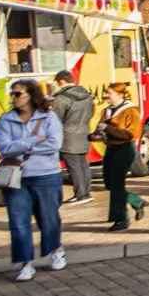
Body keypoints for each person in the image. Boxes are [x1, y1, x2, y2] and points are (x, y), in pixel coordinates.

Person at [0, 79, 68, 280]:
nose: (14, 97)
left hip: (46, 175)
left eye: (18, 93)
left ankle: (55, 250)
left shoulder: (48, 117)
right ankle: (25, 263)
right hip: (16, 177)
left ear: (32, 95)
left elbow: (54, 145)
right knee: (18, 222)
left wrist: (20, 145)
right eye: (12, 93)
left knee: (49, 219)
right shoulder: (6, 120)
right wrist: (34, 140)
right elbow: (4, 148)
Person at [97, 80, 149, 230]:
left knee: (117, 183)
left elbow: (132, 134)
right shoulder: (107, 110)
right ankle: (137, 202)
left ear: (120, 94)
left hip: (125, 148)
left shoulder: (130, 110)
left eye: (110, 93)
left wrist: (108, 129)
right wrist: (95, 135)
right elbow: (101, 129)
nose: (107, 96)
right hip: (111, 148)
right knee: (109, 183)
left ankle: (121, 219)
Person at [49, 69, 95, 204]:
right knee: (83, 165)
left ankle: (81, 195)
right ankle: (86, 192)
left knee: (73, 167)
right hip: (84, 132)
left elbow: (56, 119)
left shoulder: (61, 98)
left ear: (61, 81)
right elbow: (92, 112)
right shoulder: (86, 95)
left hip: (68, 135)